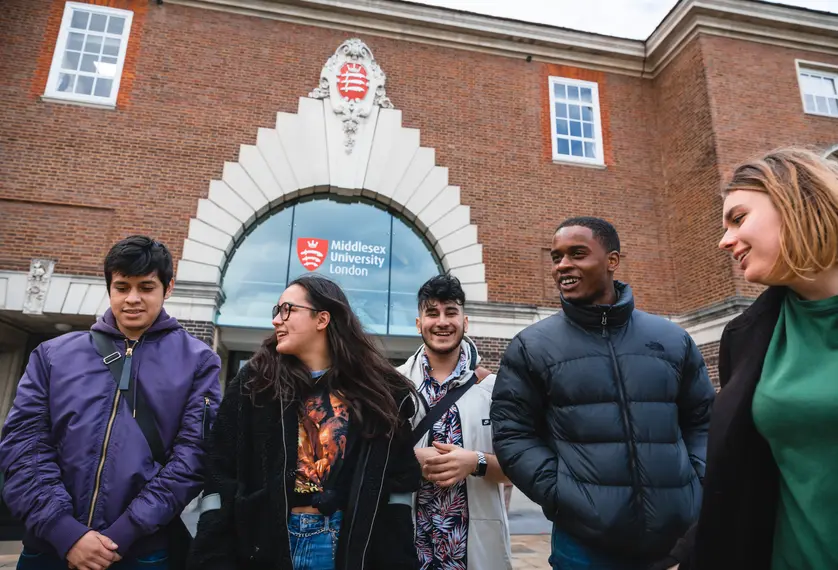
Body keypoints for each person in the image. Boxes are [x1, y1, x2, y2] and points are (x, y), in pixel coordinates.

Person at [490, 217, 716, 570]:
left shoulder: (673, 339)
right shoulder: (531, 346)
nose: (563, 265)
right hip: (582, 545)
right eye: (556, 257)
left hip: (676, 539)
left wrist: (695, 487)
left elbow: (703, 422)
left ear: (612, 261)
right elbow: (513, 435)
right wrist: (563, 494)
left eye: (577, 254)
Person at [661, 148, 838, 570]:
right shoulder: (745, 336)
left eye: (738, 219)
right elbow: (737, 474)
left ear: (800, 201)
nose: (724, 240)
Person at [0, 236, 222, 570]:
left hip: (139, 550)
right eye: (122, 287)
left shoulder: (199, 362)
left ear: (169, 287)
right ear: (110, 288)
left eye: (146, 287)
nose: (132, 299)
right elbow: (23, 446)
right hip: (49, 546)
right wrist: (66, 532)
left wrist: (123, 532)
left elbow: (193, 457)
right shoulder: (53, 355)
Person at [188, 274, 421, 570]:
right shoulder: (255, 383)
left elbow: (398, 484)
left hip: (342, 543)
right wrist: (212, 555)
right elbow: (220, 471)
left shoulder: (378, 391)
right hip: (265, 542)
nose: (276, 320)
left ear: (321, 319)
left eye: (287, 310)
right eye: (276, 310)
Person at [397, 274, 512, 570]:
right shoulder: (393, 386)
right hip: (409, 548)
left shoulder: (494, 389)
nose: (442, 321)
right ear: (419, 323)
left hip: (472, 553)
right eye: (432, 313)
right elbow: (369, 462)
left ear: (465, 321)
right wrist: (409, 459)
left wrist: (476, 463)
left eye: (451, 312)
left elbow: (518, 470)